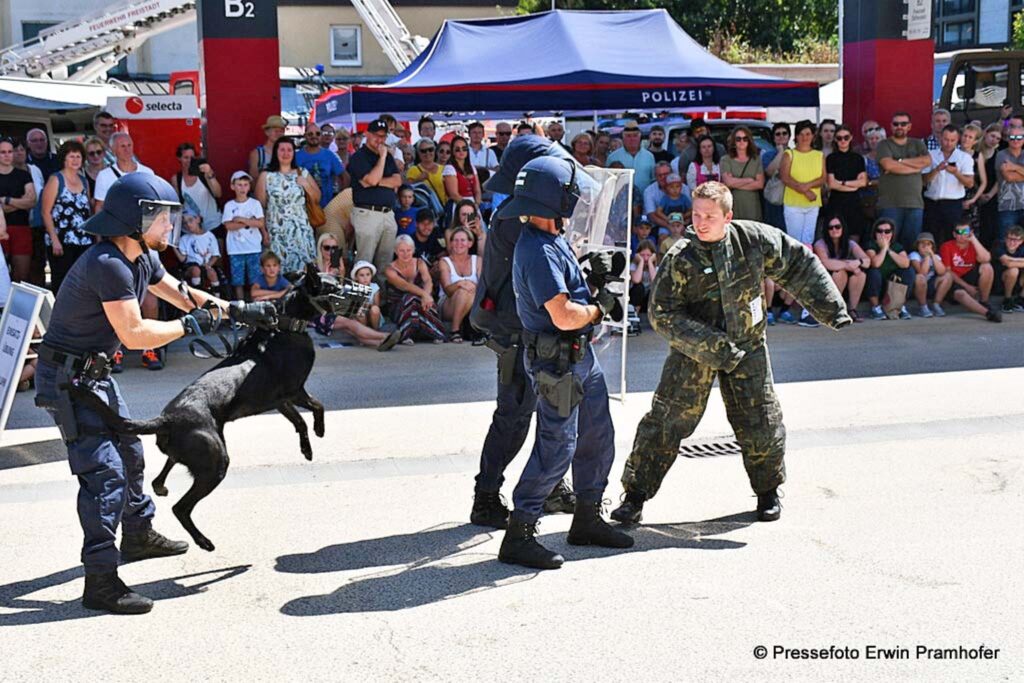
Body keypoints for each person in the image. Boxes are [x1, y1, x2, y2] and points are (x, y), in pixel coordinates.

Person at [33, 172, 274, 614]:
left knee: (130, 454)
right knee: (104, 474)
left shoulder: (142, 256)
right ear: (135, 219)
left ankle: (139, 535)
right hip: (67, 380)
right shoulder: (107, 264)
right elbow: (136, 333)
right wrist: (189, 327)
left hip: (94, 376)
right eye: (163, 218)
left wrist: (236, 311)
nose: (169, 226)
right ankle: (101, 581)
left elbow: (181, 295)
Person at [611, 181, 851, 526]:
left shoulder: (752, 239)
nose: (702, 223)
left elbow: (797, 262)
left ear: (728, 216)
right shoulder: (681, 257)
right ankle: (634, 497)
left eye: (710, 216)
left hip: (748, 346)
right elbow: (662, 314)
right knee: (665, 422)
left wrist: (832, 310)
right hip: (695, 352)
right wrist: (712, 345)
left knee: (762, 420)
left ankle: (768, 492)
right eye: (696, 215)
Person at [497, 155, 633, 570]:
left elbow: (568, 292)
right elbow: (562, 315)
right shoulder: (537, 250)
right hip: (557, 361)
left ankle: (587, 519)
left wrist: (588, 280)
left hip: (580, 357)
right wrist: (598, 308)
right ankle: (518, 535)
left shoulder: (551, 238)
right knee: (557, 447)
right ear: (553, 198)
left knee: (597, 435)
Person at [467, 136, 579, 529]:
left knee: (547, 411)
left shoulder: (521, 214)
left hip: (523, 326)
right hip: (515, 330)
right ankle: (485, 497)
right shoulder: (520, 219)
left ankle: (549, 486)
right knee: (514, 415)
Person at [255, 138, 319, 274]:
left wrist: (306, 185)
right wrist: (263, 232)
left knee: (304, 271)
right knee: (277, 271)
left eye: (289, 150)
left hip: (301, 231)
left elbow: (317, 197)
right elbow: (260, 207)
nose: (286, 153)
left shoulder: (302, 172)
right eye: (282, 150)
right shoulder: (266, 176)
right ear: (275, 152)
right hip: (276, 233)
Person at [349, 119, 402, 278]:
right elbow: (371, 180)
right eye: (376, 136)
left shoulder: (389, 158)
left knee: (385, 265)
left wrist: (376, 181)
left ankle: (382, 300)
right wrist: (383, 158)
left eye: (383, 137)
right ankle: (362, 302)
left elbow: (397, 181)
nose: (380, 140)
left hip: (388, 213)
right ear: (367, 134)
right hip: (367, 213)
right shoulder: (358, 157)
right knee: (364, 264)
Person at [40, 140, 94, 293]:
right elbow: (45, 212)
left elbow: (87, 210)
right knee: (62, 280)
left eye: (78, 156)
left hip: (83, 239)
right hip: (61, 241)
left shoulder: (84, 181)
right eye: (71, 156)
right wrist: (55, 240)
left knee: (82, 280)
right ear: (64, 158)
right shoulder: (56, 179)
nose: (75, 160)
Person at [876, 112, 930, 245]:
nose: (899, 126)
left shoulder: (918, 144)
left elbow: (927, 161)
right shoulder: (884, 144)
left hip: (915, 204)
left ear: (909, 126)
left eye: (903, 124)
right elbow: (888, 164)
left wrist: (899, 161)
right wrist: (915, 168)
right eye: (896, 124)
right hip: (890, 204)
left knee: (912, 244)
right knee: (888, 243)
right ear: (891, 126)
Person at [386, 234, 447, 344]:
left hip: (421, 303)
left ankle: (419, 333)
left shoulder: (420, 263)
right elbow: (405, 286)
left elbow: (428, 281)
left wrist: (427, 296)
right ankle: (410, 335)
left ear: (413, 250)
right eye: (401, 251)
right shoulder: (390, 269)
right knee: (411, 298)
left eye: (408, 250)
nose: (405, 254)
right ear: (395, 251)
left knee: (421, 302)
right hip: (398, 307)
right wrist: (424, 295)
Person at [939, 220, 1001, 322]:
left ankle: (984, 301)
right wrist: (966, 286)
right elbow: (948, 272)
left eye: (965, 232)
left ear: (970, 232)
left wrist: (973, 239)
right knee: (961, 294)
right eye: (959, 232)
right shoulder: (947, 246)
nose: (962, 235)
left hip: (970, 275)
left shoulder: (973, 244)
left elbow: (986, 258)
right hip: (955, 280)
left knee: (987, 267)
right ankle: (987, 313)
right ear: (954, 234)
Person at [923, 125, 974, 244]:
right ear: (940, 137)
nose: (948, 143)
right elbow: (923, 181)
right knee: (931, 237)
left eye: (952, 140)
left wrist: (956, 173)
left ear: (958, 139)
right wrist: (936, 170)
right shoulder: (930, 155)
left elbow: (970, 183)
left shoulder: (964, 157)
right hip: (932, 203)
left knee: (951, 238)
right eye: (946, 139)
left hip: (953, 204)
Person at [813, 214, 869, 322]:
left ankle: (852, 310)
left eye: (838, 226)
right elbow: (825, 263)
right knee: (840, 273)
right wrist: (849, 265)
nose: (834, 230)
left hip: (847, 284)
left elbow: (867, 261)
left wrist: (858, 261)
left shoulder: (850, 243)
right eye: (831, 227)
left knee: (860, 274)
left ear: (843, 228)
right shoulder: (820, 244)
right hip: (826, 283)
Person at [222, 170, 267, 300]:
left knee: (255, 279)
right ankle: (241, 306)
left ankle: (256, 303)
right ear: (233, 186)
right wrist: (249, 222)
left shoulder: (255, 204)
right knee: (238, 281)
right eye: (239, 184)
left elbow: (260, 223)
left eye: (245, 184)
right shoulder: (229, 206)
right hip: (235, 249)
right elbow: (228, 225)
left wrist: (241, 219)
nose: (243, 188)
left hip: (253, 247)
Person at [780, 120, 825, 246]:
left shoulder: (819, 155)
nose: (805, 137)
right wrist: (806, 191)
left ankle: (806, 265)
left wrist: (807, 187)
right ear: (796, 136)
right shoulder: (789, 154)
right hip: (793, 204)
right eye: (801, 134)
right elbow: (785, 177)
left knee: (808, 240)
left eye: (808, 134)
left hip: (813, 202)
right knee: (794, 241)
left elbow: (822, 178)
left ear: (813, 136)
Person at [0, 137, 39, 282]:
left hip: (21, 227)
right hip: (0, 229)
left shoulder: (23, 175)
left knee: (22, 276)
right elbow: (25, 201)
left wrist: (7, 200)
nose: (7, 155)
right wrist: (20, 202)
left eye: (10, 151)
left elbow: (32, 201)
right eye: (2, 152)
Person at [863, 217, 915, 321]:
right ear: (875, 233)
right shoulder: (870, 245)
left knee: (908, 272)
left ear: (892, 233)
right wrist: (883, 249)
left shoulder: (897, 246)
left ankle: (900, 306)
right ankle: (876, 308)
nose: (883, 234)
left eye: (887, 231)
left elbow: (906, 263)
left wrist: (889, 250)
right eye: (880, 231)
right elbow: (875, 263)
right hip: (876, 286)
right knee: (873, 272)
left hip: (892, 287)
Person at [825, 125, 868, 241]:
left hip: (854, 202)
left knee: (854, 233)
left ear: (851, 138)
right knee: (835, 233)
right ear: (835, 139)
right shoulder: (831, 158)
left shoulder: (858, 158)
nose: (843, 141)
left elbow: (863, 182)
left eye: (846, 137)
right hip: (836, 202)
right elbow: (832, 184)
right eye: (839, 138)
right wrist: (853, 185)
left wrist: (843, 183)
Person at [438, 226, 481, 342]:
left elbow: (483, 286)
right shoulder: (444, 262)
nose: (459, 244)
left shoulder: (477, 260)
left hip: (472, 300)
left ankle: (458, 329)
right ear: (451, 243)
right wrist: (460, 284)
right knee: (462, 292)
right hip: (448, 302)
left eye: (463, 240)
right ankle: (455, 330)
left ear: (470, 243)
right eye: (455, 240)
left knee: (469, 292)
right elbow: (447, 290)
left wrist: (471, 285)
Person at [93, 133, 154, 212]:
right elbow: (100, 206)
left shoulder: (147, 173)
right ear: (113, 150)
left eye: (129, 145)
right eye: (122, 146)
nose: (127, 150)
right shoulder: (104, 176)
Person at [171, 142, 223, 236]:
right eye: (185, 157)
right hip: (191, 228)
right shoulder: (177, 179)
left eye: (192, 157)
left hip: (213, 224)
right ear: (179, 158)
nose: (189, 161)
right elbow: (177, 204)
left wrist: (210, 174)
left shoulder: (204, 174)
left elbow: (218, 193)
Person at [296, 121, 346, 209]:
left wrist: (340, 199)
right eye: (310, 134)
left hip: (326, 207)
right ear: (305, 136)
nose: (314, 136)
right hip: (302, 208)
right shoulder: (296, 156)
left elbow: (345, 177)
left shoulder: (329, 155)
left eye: (317, 133)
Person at [720, 126, 764, 221]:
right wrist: (749, 180)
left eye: (745, 138)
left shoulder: (756, 159)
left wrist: (735, 182)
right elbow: (728, 183)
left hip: (752, 206)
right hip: (733, 204)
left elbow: (760, 184)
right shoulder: (725, 160)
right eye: (738, 139)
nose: (742, 141)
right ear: (733, 141)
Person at [175, 207, 222, 292]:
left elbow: (215, 255)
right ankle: (197, 293)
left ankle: (217, 295)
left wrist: (209, 264)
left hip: (206, 265)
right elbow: (182, 259)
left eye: (190, 220)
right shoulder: (184, 239)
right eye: (185, 223)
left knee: (212, 273)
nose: (188, 225)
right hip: (191, 266)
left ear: (198, 219)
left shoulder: (209, 236)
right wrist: (173, 247)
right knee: (196, 270)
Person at [909, 232, 952, 318]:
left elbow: (942, 272)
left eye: (928, 244)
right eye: (922, 243)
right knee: (920, 277)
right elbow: (922, 273)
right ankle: (923, 307)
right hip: (916, 287)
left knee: (948, 276)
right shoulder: (914, 255)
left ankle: (936, 304)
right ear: (917, 245)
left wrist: (932, 255)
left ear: (932, 246)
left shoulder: (935, 256)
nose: (925, 246)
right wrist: (927, 257)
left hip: (930, 286)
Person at [608, 120, 656, 194]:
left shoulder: (649, 156)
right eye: (628, 136)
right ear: (623, 138)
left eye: (635, 136)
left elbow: (653, 181)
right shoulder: (613, 157)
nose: (632, 139)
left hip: (644, 200)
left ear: (640, 137)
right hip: (621, 200)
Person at [995, 124, 1024, 242]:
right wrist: (1020, 170)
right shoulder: (1001, 154)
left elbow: (1011, 173)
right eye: (1012, 137)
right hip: (1007, 206)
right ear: (1007, 138)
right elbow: (1009, 177)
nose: (1015, 140)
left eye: (1019, 137)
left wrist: (1013, 167)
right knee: (1006, 241)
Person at [976, 123, 1003, 248]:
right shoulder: (975, 151)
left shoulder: (998, 155)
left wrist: (989, 195)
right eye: (992, 136)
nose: (994, 140)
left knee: (989, 227)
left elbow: (1000, 178)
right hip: (973, 193)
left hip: (991, 195)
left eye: (998, 138)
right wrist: (978, 194)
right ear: (985, 133)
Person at [762, 122, 791, 229]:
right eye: (778, 134)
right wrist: (780, 153)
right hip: (774, 199)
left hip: (790, 199)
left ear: (789, 136)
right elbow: (769, 171)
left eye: (784, 133)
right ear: (773, 138)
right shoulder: (767, 155)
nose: (781, 136)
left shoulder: (795, 154)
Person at [443, 135, 482, 208]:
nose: (461, 151)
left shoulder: (472, 167)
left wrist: (476, 204)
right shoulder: (449, 169)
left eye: (464, 148)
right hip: (458, 206)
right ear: (453, 152)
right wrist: (468, 206)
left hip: (474, 205)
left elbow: (477, 190)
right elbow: (454, 194)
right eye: (457, 149)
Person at [405, 138, 447, 205]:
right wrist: (418, 180)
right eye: (423, 151)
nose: (427, 153)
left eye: (430, 149)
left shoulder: (444, 169)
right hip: (424, 209)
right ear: (418, 153)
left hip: (443, 207)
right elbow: (407, 189)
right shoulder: (413, 170)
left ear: (434, 150)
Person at [248, 115, 287, 180]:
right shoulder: (257, 154)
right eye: (276, 131)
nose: (278, 134)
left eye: (281, 131)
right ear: (267, 132)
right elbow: (253, 179)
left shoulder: (287, 153)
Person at [996, 225, 1024, 312]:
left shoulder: (1022, 249)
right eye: (1010, 239)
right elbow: (1008, 263)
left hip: (1017, 282)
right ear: (1005, 239)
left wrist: (1013, 259)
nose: (1012, 242)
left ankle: (1021, 298)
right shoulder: (999, 245)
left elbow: (1010, 261)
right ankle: (1007, 299)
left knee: (1015, 270)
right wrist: (1020, 261)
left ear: (1021, 241)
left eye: (1016, 240)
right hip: (1000, 283)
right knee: (1013, 270)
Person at [629, 238, 658, 313]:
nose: (645, 258)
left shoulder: (655, 269)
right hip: (636, 299)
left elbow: (655, 282)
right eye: (642, 255)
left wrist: (650, 263)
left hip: (647, 302)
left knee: (654, 290)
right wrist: (641, 262)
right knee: (639, 287)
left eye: (648, 255)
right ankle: (635, 313)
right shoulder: (634, 266)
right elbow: (636, 280)